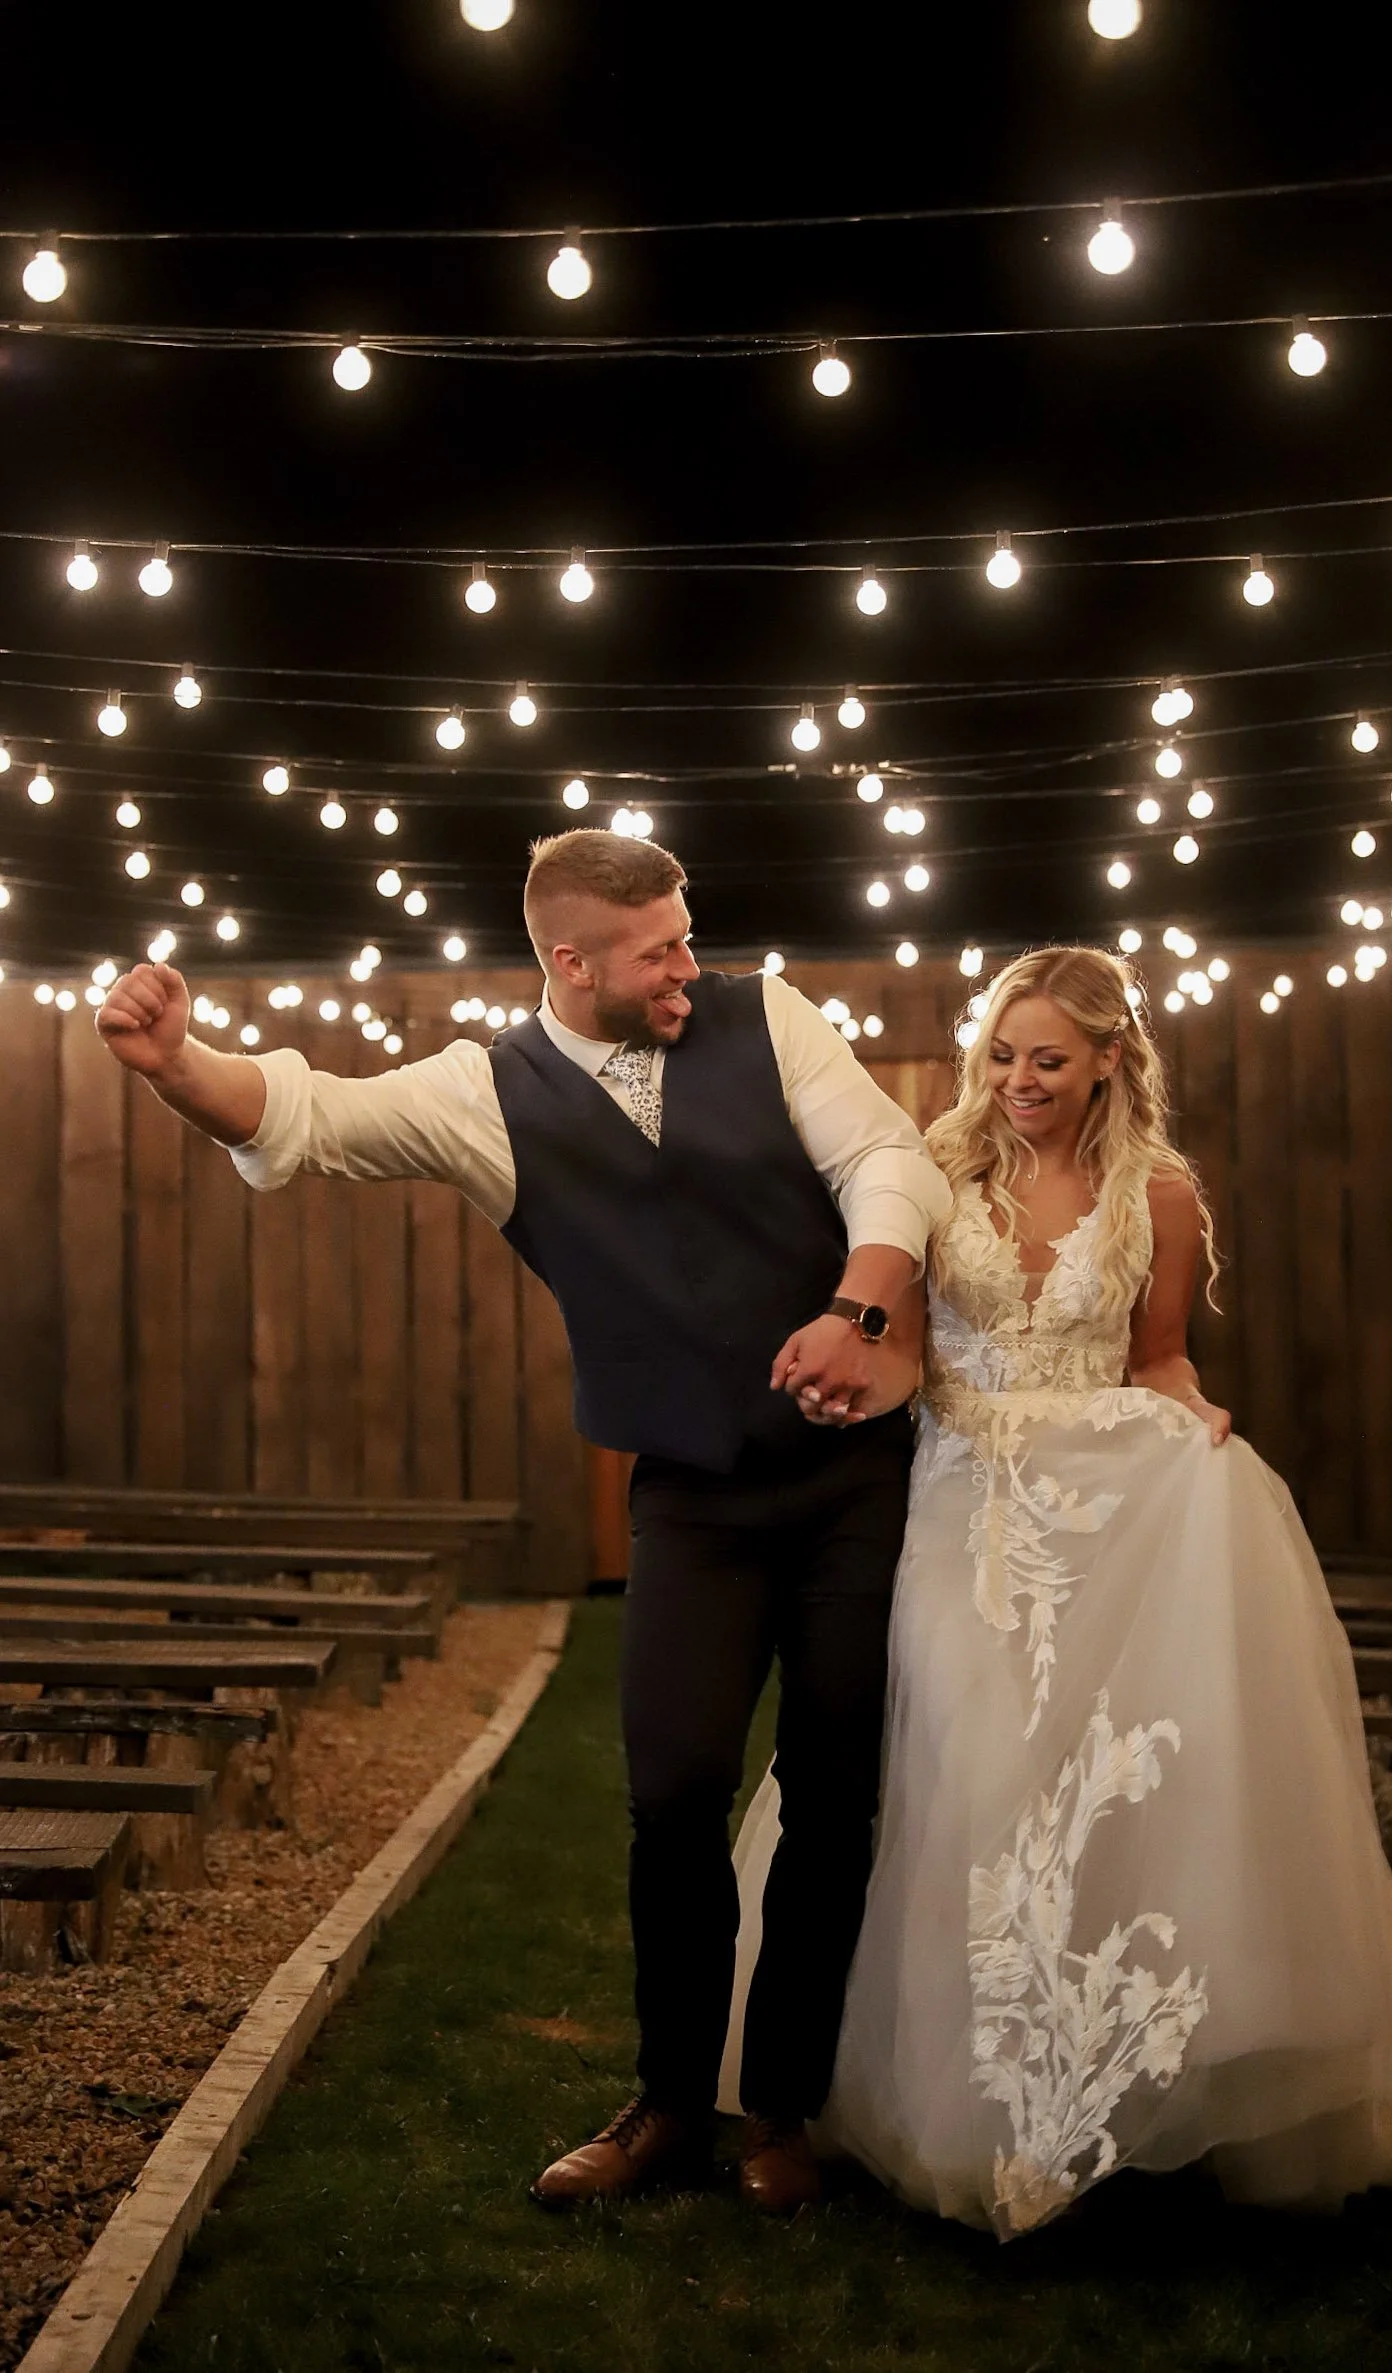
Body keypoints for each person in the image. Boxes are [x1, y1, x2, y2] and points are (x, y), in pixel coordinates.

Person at [95, 829, 950, 2215]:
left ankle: (784, 2112)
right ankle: (670, 2104)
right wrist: (176, 1065)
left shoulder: (770, 1016)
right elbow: (309, 1116)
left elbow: (888, 1159)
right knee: (674, 1792)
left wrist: (858, 1307)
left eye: (686, 936)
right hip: (691, 1491)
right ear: (572, 962)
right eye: (658, 950)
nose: (688, 966)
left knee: (833, 1794)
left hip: (854, 1478)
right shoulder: (481, 1094)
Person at [722, 943, 1392, 2236]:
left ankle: (1102, 2080)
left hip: (1104, 1505)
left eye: (1048, 1058)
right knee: (962, 1770)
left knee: (1096, 1780)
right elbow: (909, 1350)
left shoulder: (1160, 1194)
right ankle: (950, 2097)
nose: (1019, 1080)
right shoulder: (933, 1172)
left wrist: (1195, 1415)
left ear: (1108, 1060)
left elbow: (1157, 1358)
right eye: (1002, 1054)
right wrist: (848, 1385)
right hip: (960, 1503)